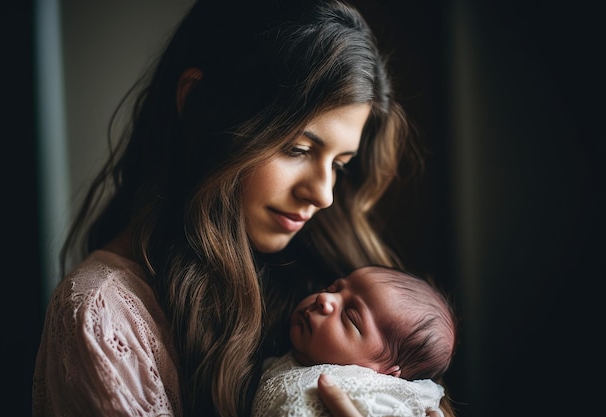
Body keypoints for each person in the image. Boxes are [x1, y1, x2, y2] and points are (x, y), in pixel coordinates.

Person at [32, 0, 456, 416]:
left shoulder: (333, 278)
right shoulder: (104, 319)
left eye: (340, 166)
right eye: (297, 148)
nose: (324, 194)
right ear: (197, 103)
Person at [251, 265, 456, 417]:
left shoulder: (378, 398)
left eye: (350, 317)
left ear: (386, 375)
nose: (325, 299)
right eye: (333, 288)